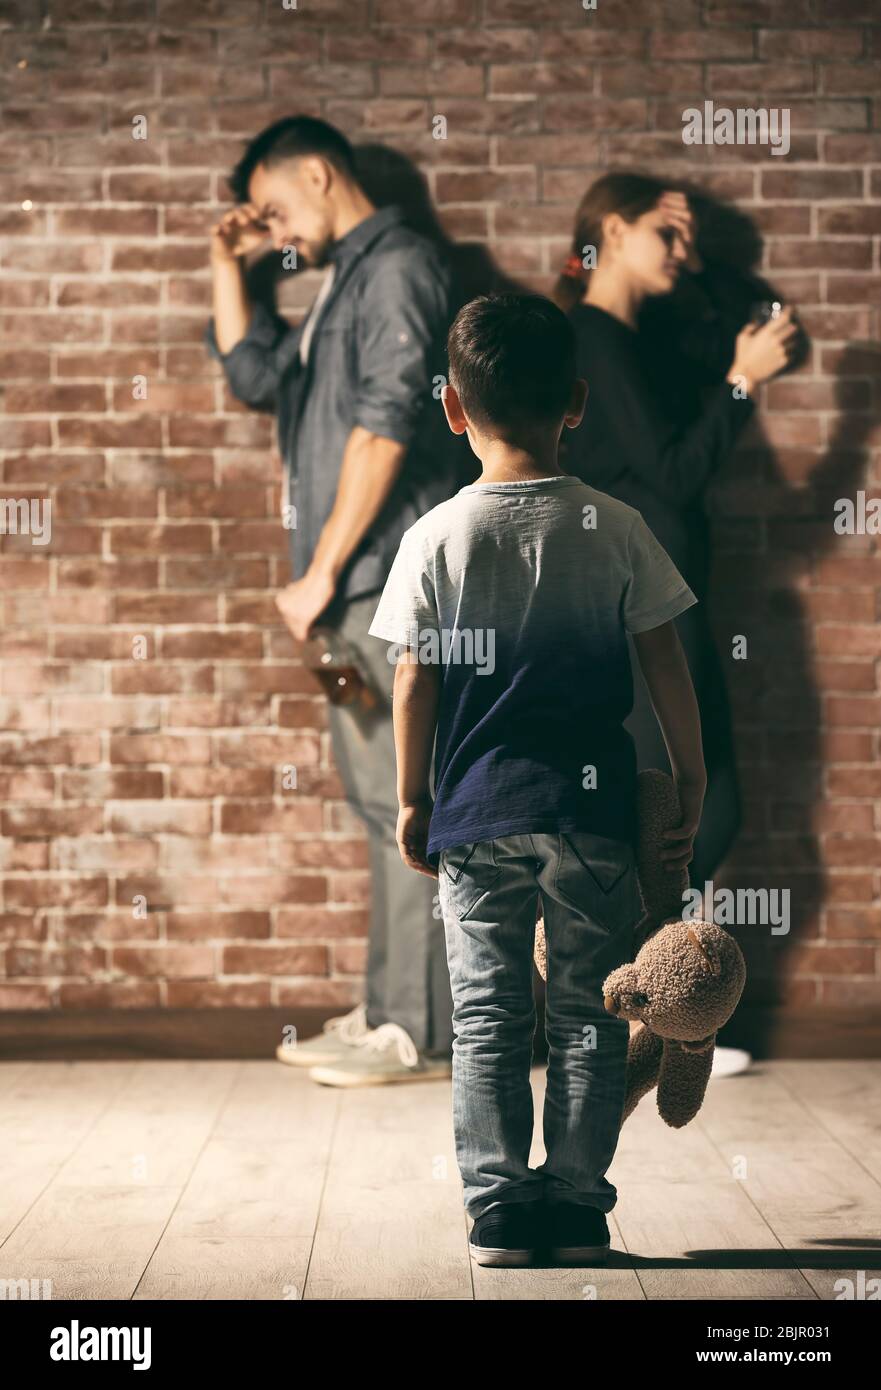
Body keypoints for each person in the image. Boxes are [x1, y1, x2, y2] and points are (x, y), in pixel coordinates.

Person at [366, 293, 707, 1267]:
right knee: (590, 1015)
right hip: (589, 812)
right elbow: (666, 663)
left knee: (485, 1015)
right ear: (576, 401)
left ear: (449, 407)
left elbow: (411, 678)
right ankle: (574, 1198)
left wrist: (410, 799)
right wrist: (687, 776)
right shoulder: (614, 525)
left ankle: (496, 1207)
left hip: (473, 812)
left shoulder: (434, 536)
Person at [204, 115, 465, 1085]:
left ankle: (422, 1033)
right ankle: (393, 1010)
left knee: (413, 803)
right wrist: (226, 260)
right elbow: (250, 373)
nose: (275, 231)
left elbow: (389, 425)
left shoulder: (396, 267)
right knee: (379, 801)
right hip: (355, 592)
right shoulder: (333, 289)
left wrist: (318, 573)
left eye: (277, 207)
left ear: (319, 173)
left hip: (388, 581)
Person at [552, 172, 799, 887]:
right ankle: (624, 962)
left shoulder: (639, 339)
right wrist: (739, 383)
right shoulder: (592, 338)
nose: (678, 248)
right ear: (615, 233)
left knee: (685, 799)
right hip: (635, 599)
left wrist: (694, 261)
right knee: (698, 798)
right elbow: (674, 471)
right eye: (666, 232)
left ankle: (621, 966)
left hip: (656, 592)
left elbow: (750, 308)